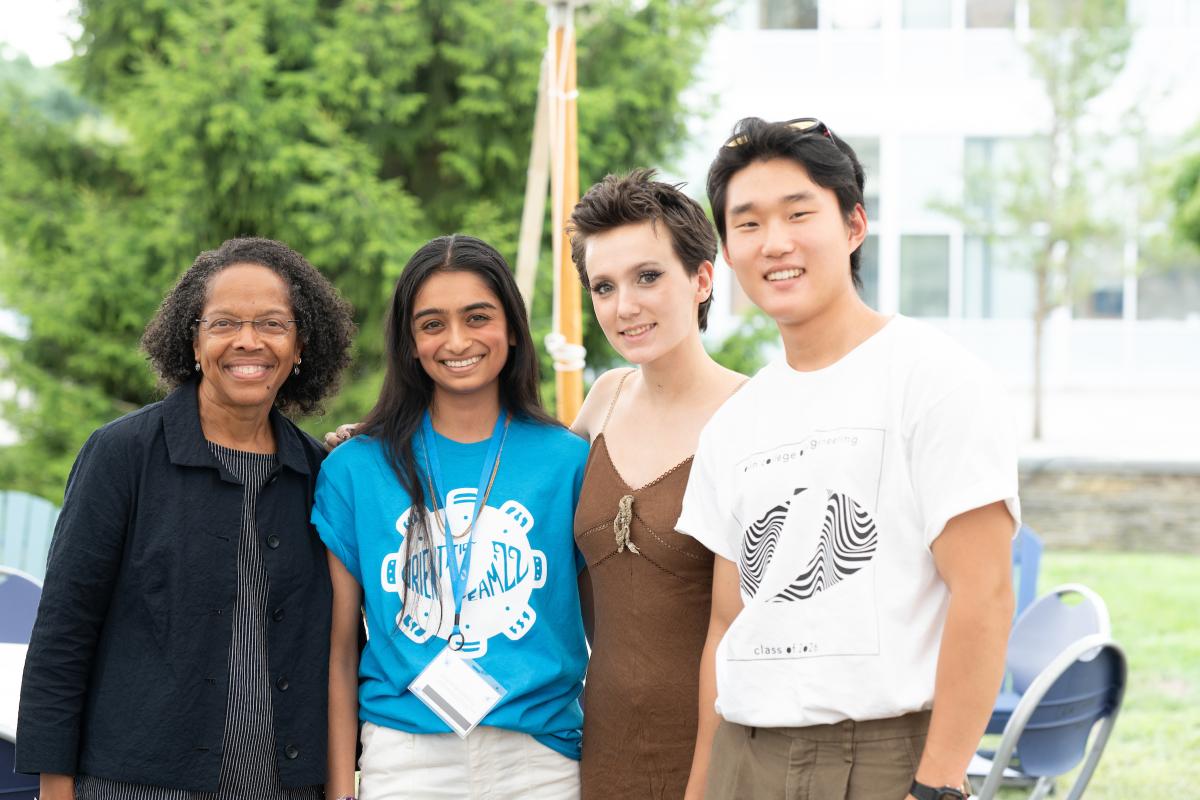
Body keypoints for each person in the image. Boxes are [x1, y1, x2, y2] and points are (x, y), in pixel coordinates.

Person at [678, 117, 1020, 800]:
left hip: (885, 759)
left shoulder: (934, 379)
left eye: (798, 213)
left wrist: (940, 784)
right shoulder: (734, 424)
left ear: (854, 225)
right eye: (747, 224)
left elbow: (984, 594)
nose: (775, 243)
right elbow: (727, 622)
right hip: (744, 757)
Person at [16, 237, 356, 799]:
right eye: (224, 323)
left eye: (273, 324)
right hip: (134, 785)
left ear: (300, 348)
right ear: (193, 342)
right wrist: (55, 788)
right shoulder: (121, 454)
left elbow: (341, 649)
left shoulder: (322, 474)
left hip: (285, 787)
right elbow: (63, 635)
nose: (248, 341)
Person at [315, 235, 590, 800]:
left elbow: (601, 635)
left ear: (512, 328)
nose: (457, 340)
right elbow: (339, 651)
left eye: (478, 317)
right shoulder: (355, 470)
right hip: (406, 759)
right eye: (432, 323)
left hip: (540, 760)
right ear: (410, 342)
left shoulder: (568, 460)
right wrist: (341, 790)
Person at [566, 169, 744, 800]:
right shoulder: (604, 399)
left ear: (701, 278)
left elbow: (745, 635)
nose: (624, 306)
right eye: (604, 287)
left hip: (715, 758)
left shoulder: (752, 417)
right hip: (597, 746)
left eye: (648, 277)